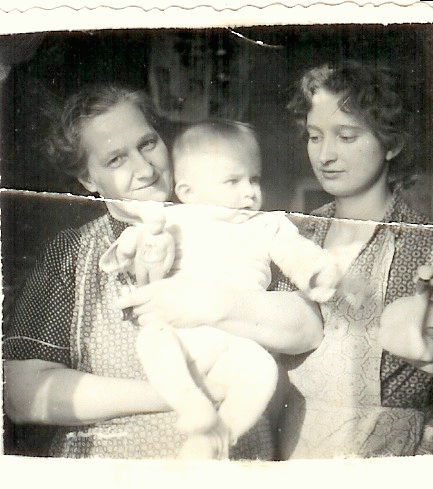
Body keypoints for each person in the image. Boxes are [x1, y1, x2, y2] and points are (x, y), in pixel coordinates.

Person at [3, 85, 324, 460]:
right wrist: (183, 393)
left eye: (148, 144)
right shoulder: (72, 252)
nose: (145, 169)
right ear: (88, 179)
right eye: (116, 159)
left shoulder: (238, 220)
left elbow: (308, 329)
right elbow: (22, 393)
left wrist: (208, 304)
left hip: (233, 468)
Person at [101, 120, 351, 459]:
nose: (249, 192)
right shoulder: (174, 220)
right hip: (181, 334)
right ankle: (191, 406)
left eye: (254, 179)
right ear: (188, 192)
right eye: (233, 181)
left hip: (237, 340)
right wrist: (130, 246)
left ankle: (218, 436)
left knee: (260, 371)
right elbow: (143, 243)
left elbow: (296, 253)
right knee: (153, 339)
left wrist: (317, 272)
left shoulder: (268, 224)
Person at [271, 61, 433, 458]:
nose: (325, 155)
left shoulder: (424, 245)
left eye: (346, 136)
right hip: (290, 451)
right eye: (314, 137)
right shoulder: (293, 235)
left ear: (392, 144)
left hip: (384, 459)